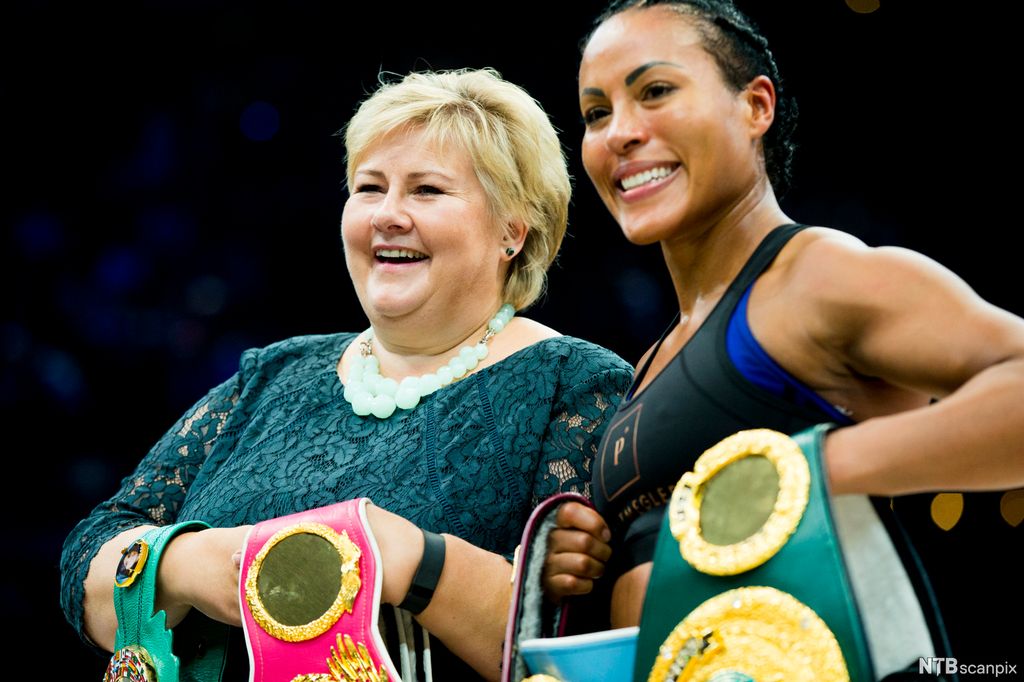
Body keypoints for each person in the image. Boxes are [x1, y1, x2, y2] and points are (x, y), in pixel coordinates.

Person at [61, 67, 634, 680]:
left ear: (512, 232)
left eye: (427, 190)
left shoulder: (574, 386)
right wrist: (193, 562)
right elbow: (89, 560)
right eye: (369, 187)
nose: (387, 215)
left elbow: (572, 635)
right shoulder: (273, 374)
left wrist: (403, 557)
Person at [542, 0, 1024, 676]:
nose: (621, 132)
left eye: (655, 91)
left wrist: (810, 472)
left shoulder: (814, 277)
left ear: (756, 107)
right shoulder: (650, 361)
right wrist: (583, 561)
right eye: (596, 113)